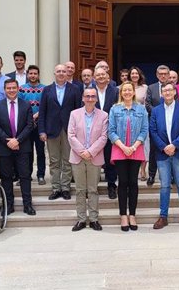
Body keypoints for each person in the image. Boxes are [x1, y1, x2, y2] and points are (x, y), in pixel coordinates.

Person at [149, 83, 179, 230]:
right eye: (165, 90)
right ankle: (163, 217)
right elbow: (153, 131)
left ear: (175, 92)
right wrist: (164, 147)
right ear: (161, 93)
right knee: (164, 186)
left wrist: (174, 145)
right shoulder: (156, 111)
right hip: (162, 154)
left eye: (170, 90)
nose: (167, 92)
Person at [0, 78, 36, 215]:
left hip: (23, 147)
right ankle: (8, 205)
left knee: (25, 176)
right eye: (8, 88)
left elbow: (30, 125)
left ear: (18, 89)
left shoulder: (26, 105)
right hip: (5, 147)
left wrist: (18, 140)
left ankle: (27, 204)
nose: (11, 90)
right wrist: (8, 141)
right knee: (6, 177)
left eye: (13, 88)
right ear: (4, 90)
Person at [108, 82, 149, 232]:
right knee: (123, 182)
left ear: (133, 92)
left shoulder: (141, 109)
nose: (126, 92)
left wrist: (133, 146)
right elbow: (111, 131)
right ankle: (123, 215)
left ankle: (132, 214)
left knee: (133, 182)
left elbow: (144, 130)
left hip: (136, 149)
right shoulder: (114, 109)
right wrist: (123, 147)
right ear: (121, 92)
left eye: (129, 90)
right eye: (124, 90)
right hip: (119, 149)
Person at [67, 87, 108, 231]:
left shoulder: (103, 115)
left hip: (94, 157)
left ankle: (94, 219)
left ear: (96, 99)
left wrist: (90, 152)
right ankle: (81, 219)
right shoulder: (74, 114)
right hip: (78, 157)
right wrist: (82, 151)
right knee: (79, 190)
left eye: (92, 96)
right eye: (87, 96)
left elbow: (104, 137)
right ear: (83, 98)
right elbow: (70, 135)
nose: (90, 99)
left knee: (93, 190)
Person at [39, 63, 82, 201]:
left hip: (69, 130)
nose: (62, 73)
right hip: (51, 130)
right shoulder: (47, 90)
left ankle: (65, 188)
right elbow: (42, 112)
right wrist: (42, 131)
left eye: (64, 71)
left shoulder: (74, 89)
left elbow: (78, 111)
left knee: (68, 160)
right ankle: (56, 188)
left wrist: (77, 131)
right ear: (54, 73)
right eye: (59, 71)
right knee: (54, 161)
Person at [93, 67, 119, 197]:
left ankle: (111, 185)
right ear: (94, 77)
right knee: (94, 158)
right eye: (98, 75)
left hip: (111, 129)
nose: (101, 77)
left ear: (107, 77)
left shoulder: (115, 91)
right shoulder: (90, 91)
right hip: (93, 130)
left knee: (110, 158)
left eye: (103, 74)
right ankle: (92, 187)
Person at [19, 65, 46, 185]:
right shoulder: (21, 89)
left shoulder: (45, 89)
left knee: (40, 151)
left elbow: (46, 106)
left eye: (35, 73)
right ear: (27, 75)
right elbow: (19, 106)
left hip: (40, 124)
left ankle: (41, 175)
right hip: (26, 125)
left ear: (38, 75)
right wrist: (30, 117)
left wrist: (37, 115)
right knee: (26, 152)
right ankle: (26, 175)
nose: (33, 76)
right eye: (30, 73)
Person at [145, 64, 171, 186]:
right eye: (160, 74)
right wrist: (158, 114)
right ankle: (151, 175)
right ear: (157, 75)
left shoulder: (172, 88)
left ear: (168, 75)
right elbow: (148, 104)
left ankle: (169, 176)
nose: (163, 76)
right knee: (154, 150)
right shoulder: (151, 87)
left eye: (165, 74)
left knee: (169, 148)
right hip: (155, 123)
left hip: (171, 123)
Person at [129, 66, 149, 180]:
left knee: (144, 143)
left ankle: (142, 170)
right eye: (132, 73)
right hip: (128, 118)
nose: (134, 75)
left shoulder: (145, 87)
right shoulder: (125, 87)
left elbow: (147, 103)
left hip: (141, 117)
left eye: (136, 73)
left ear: (139, 75)